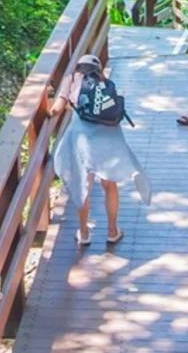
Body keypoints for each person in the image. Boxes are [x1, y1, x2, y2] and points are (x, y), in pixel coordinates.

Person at [51, 52, 150, 247]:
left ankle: (84, 232)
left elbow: (56, 108)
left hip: (81, 140)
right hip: (108, 139)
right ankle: (112, 230)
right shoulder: (106, 83)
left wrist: (48, 105)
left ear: (78, 68)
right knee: (109, 185)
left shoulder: (70, 81)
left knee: (83, 186)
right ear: (99, 69)